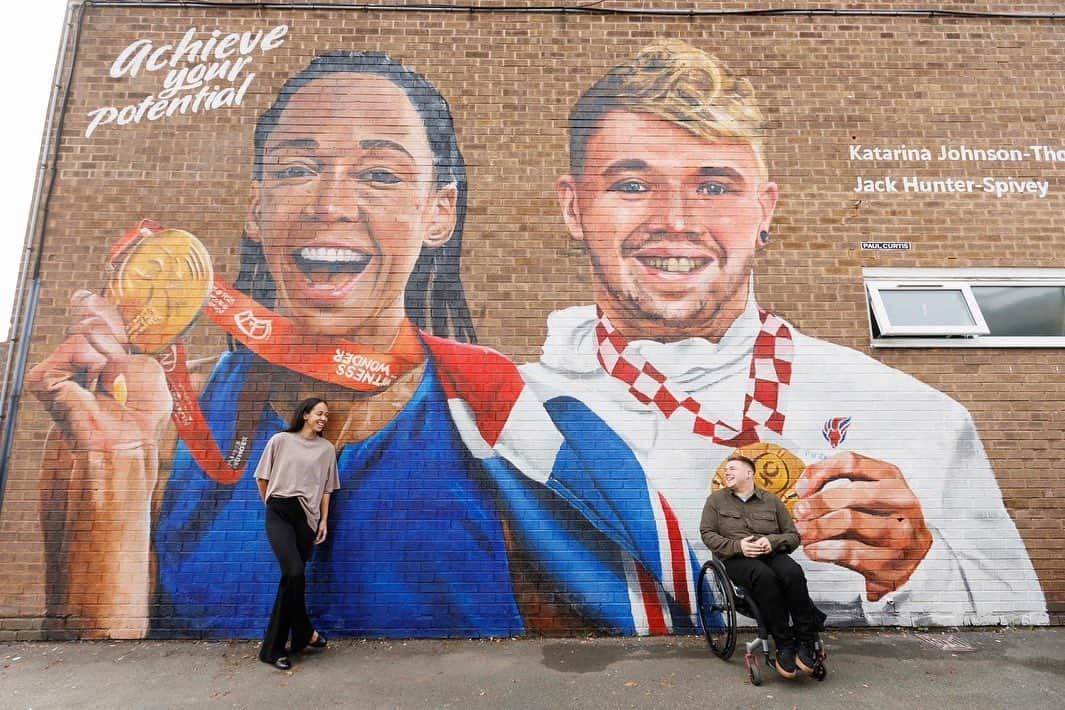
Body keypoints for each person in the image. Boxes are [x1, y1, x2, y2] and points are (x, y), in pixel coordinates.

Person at [28, 50, 699, 640]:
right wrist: (113, 483)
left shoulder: (518, 433)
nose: (329, 203)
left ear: (439, 212)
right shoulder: (149, 424)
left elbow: (607, 667)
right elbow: (99, 676)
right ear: (256, 210)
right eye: (296, 170)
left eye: (379, 175)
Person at [520, 39, 1048, 627]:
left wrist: (917, 570)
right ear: (573, 209)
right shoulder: (503, 420)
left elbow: (1019, 625)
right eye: (633, 185)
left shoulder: (915, 413)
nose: (675, 220)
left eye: (714, 186)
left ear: (765, 210)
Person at [701, 455, 824, 678]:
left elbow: (793, 536)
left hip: (771, 553)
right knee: (764, 576)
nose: (726, 473)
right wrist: (737, 546)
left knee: (792, 572)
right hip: (737, 559)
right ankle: (784, 643)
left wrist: (772, 542)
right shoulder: (716, 501)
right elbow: (707, 534)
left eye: (732, 469)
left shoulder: (772, 500)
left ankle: (805, 639)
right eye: (725, 470)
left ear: (749, 473)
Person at [255, 398, 339, 670]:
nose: (324, 418)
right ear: (305, 414)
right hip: (280, 510)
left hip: (308, 518)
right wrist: (271, 503)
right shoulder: (280, 440)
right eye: (319, 413)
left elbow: (327, 489)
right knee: (293, 573)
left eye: (326, 415)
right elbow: (261, 477)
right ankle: (295, 636)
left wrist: (323, 520)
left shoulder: (327, 449)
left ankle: (290, 641)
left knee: (292, 581)